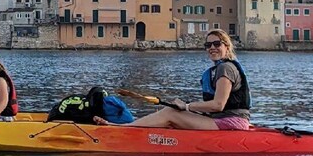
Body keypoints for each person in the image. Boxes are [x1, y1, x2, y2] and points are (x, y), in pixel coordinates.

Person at [95, 29, 250, 130]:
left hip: (232, 123)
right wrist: (184, 107)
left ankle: (123, 128)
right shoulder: (215, 70)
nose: (212, 47)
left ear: (227, 47)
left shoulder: (225, 68)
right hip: (221, 120)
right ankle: (130, 127)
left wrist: (187, 106)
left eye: (217, 44)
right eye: (208, 44)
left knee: (170, 114)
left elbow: (218, 105)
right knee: (171, 111)